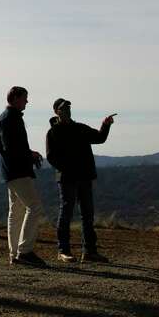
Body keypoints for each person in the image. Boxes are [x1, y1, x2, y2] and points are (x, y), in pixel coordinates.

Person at [45, 98, 115, 263]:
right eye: (63, 108)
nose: (67, 110)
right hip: (68, 178)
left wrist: (106, 125)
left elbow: (99, 138)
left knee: (87, 215)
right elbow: (51, 157)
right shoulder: (53, 132)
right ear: (56, 111)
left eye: (68, 107)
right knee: (66, 214)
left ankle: (89, 252)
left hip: (84, 177)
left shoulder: (80, 128)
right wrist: (68, 169)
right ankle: (63, 251)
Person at [0, 85, 46, 267]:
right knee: (34, 207)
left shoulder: (6, 118)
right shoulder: (10, 119)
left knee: (15, 212)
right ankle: (25, 252)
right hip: (18, 171)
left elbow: (10, 147)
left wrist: (28, 153)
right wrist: (29, 155)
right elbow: (11, 147)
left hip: (10, 171)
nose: (27, 101)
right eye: (25, 97)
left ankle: (15, 253)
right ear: (15, 98)